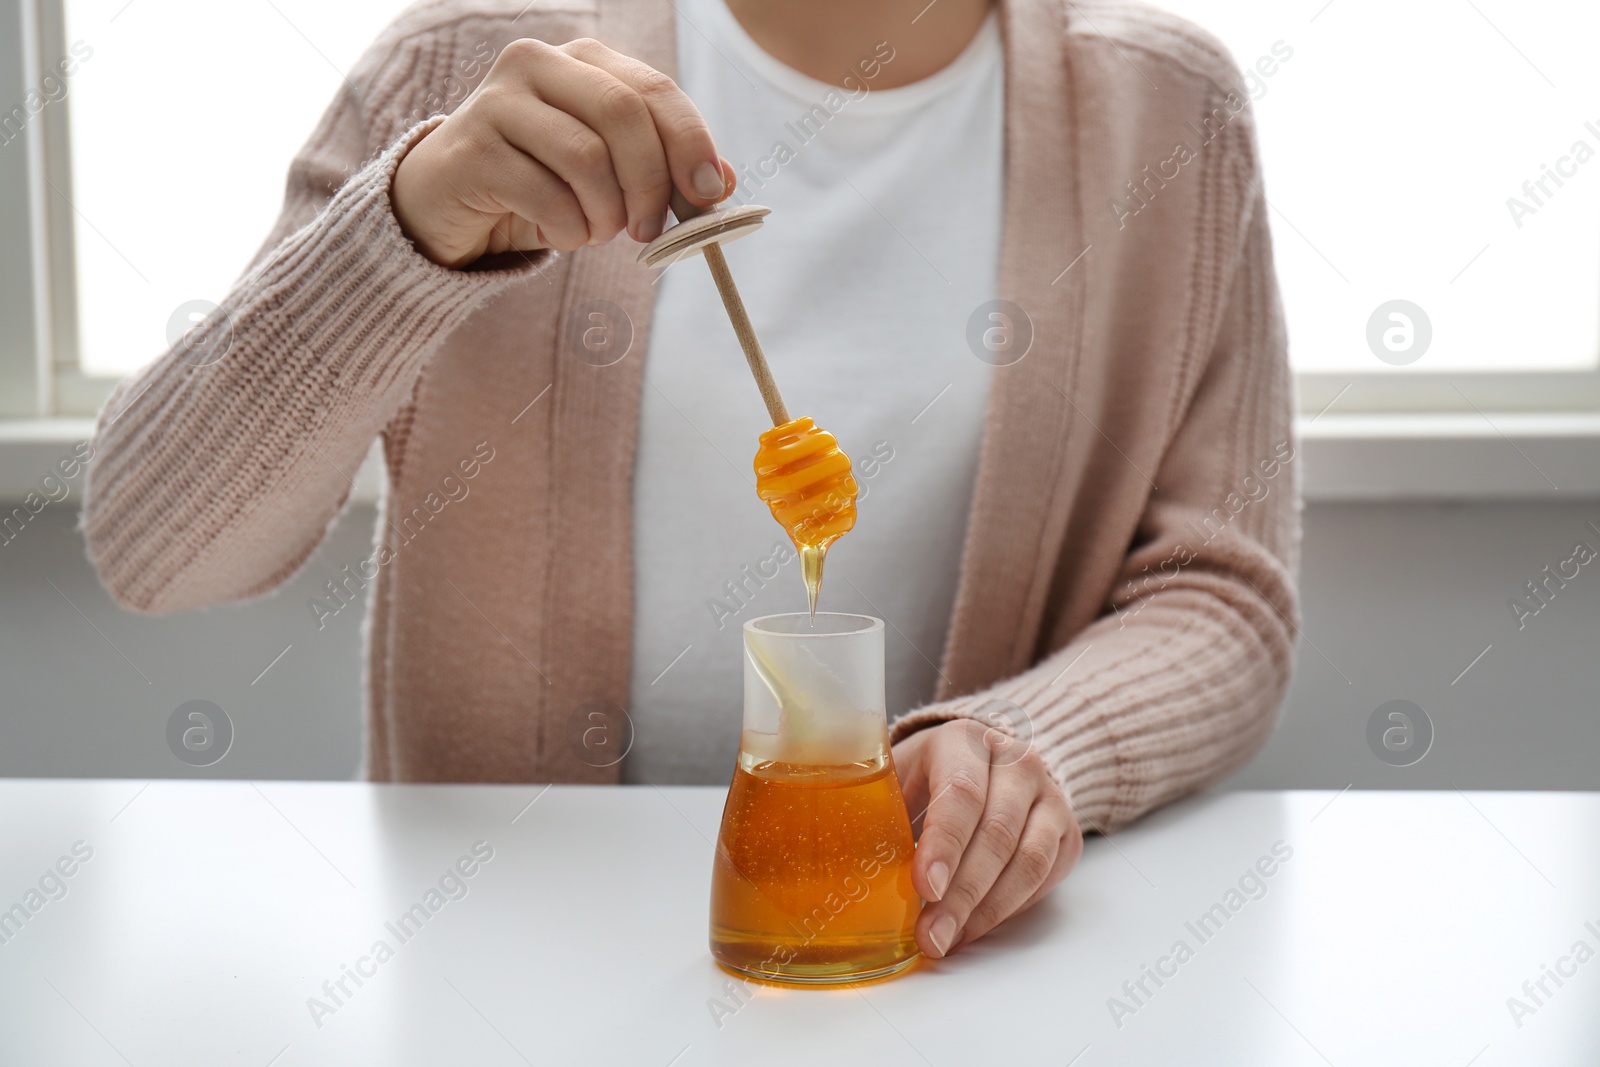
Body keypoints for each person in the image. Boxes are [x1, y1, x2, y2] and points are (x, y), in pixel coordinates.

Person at [83, 0, 1299, 963]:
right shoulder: (467, 64)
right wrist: (404, 231)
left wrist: (1030, 744)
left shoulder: (1166, 108)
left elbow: (1220, 594)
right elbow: (154, 548)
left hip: (930, 978)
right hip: (485, 972)